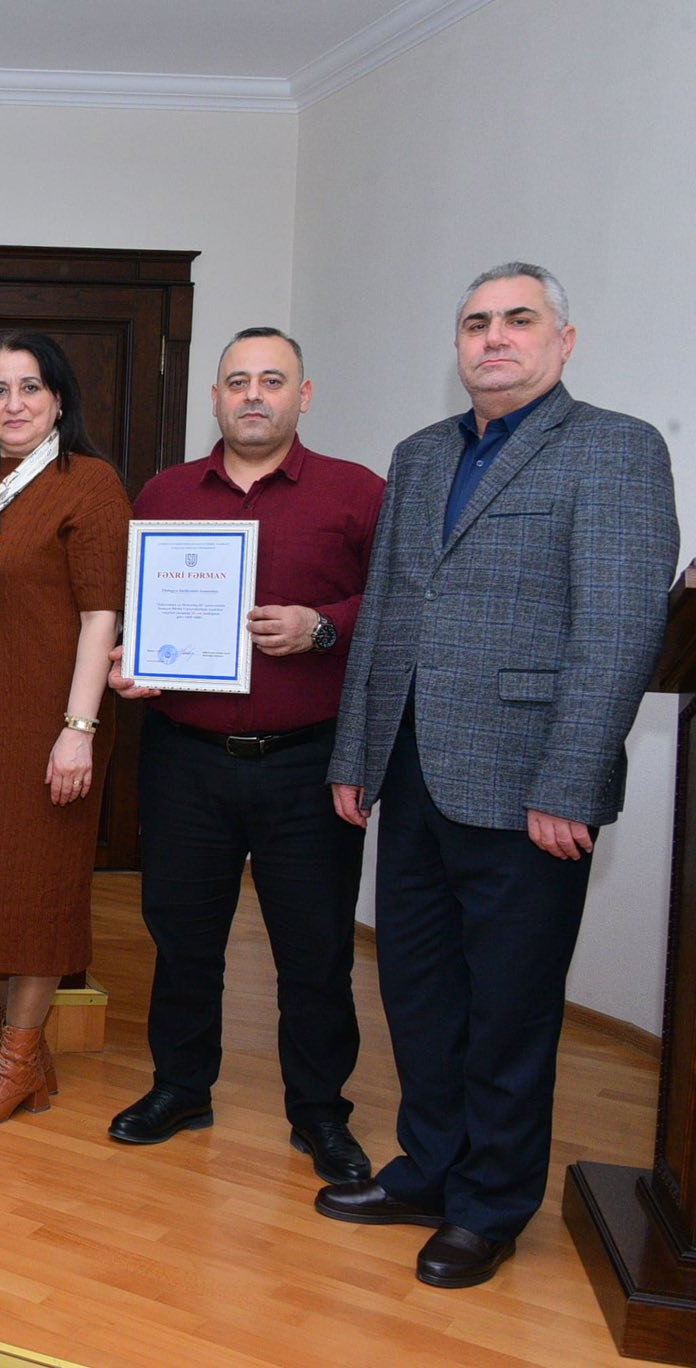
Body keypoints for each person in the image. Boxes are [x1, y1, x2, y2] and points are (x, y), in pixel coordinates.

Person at [317, 263, 678, 1288]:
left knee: (509, 1010)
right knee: (418, 992)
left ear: (563, 340)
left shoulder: (612, 448)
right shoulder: (420, 455)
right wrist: (356, 754)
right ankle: (428, 1170)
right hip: (410, 772)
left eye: (518, 320)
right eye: (475, 323)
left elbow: (618, 625)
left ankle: (489, 1205)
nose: (493, 339)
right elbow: (386, 613)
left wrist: (571, 780)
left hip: (527, 787)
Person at [103, 328, 383, 1184]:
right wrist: (132, 660)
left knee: (315, 949)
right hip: (185, 757)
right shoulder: (165, 493)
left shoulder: (358, 493)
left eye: (272, 380)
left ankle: (320, 1112)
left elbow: (399, 606)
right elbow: (136, 605)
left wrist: (322, 624)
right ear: (215, 398)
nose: (253, 395)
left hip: (309, 762)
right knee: (182, 937)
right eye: (237, 381)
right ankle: (181, 1087)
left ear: (304, 395)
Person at [0, 332, 130, 1129]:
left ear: (58, 399)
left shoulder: (89, 484)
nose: (13, 404)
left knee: (38, 891)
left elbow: (101, 616)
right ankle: (26, 1062)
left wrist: (78, 729)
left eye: (30, 387)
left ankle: (13, 1063)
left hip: (52, 724)